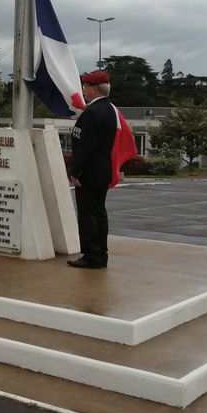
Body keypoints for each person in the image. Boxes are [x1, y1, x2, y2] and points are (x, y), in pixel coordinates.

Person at [67, 70, 119, 269]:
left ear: (94, 89)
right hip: (102, 170)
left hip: (89, 172)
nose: (84, 91)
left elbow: (86, 146)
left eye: (86, 87)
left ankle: (91, 256)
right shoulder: (110, 110)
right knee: (99, 213)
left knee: (88, 215)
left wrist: (75, 171)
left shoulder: (92, 113)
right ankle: (101, 254)